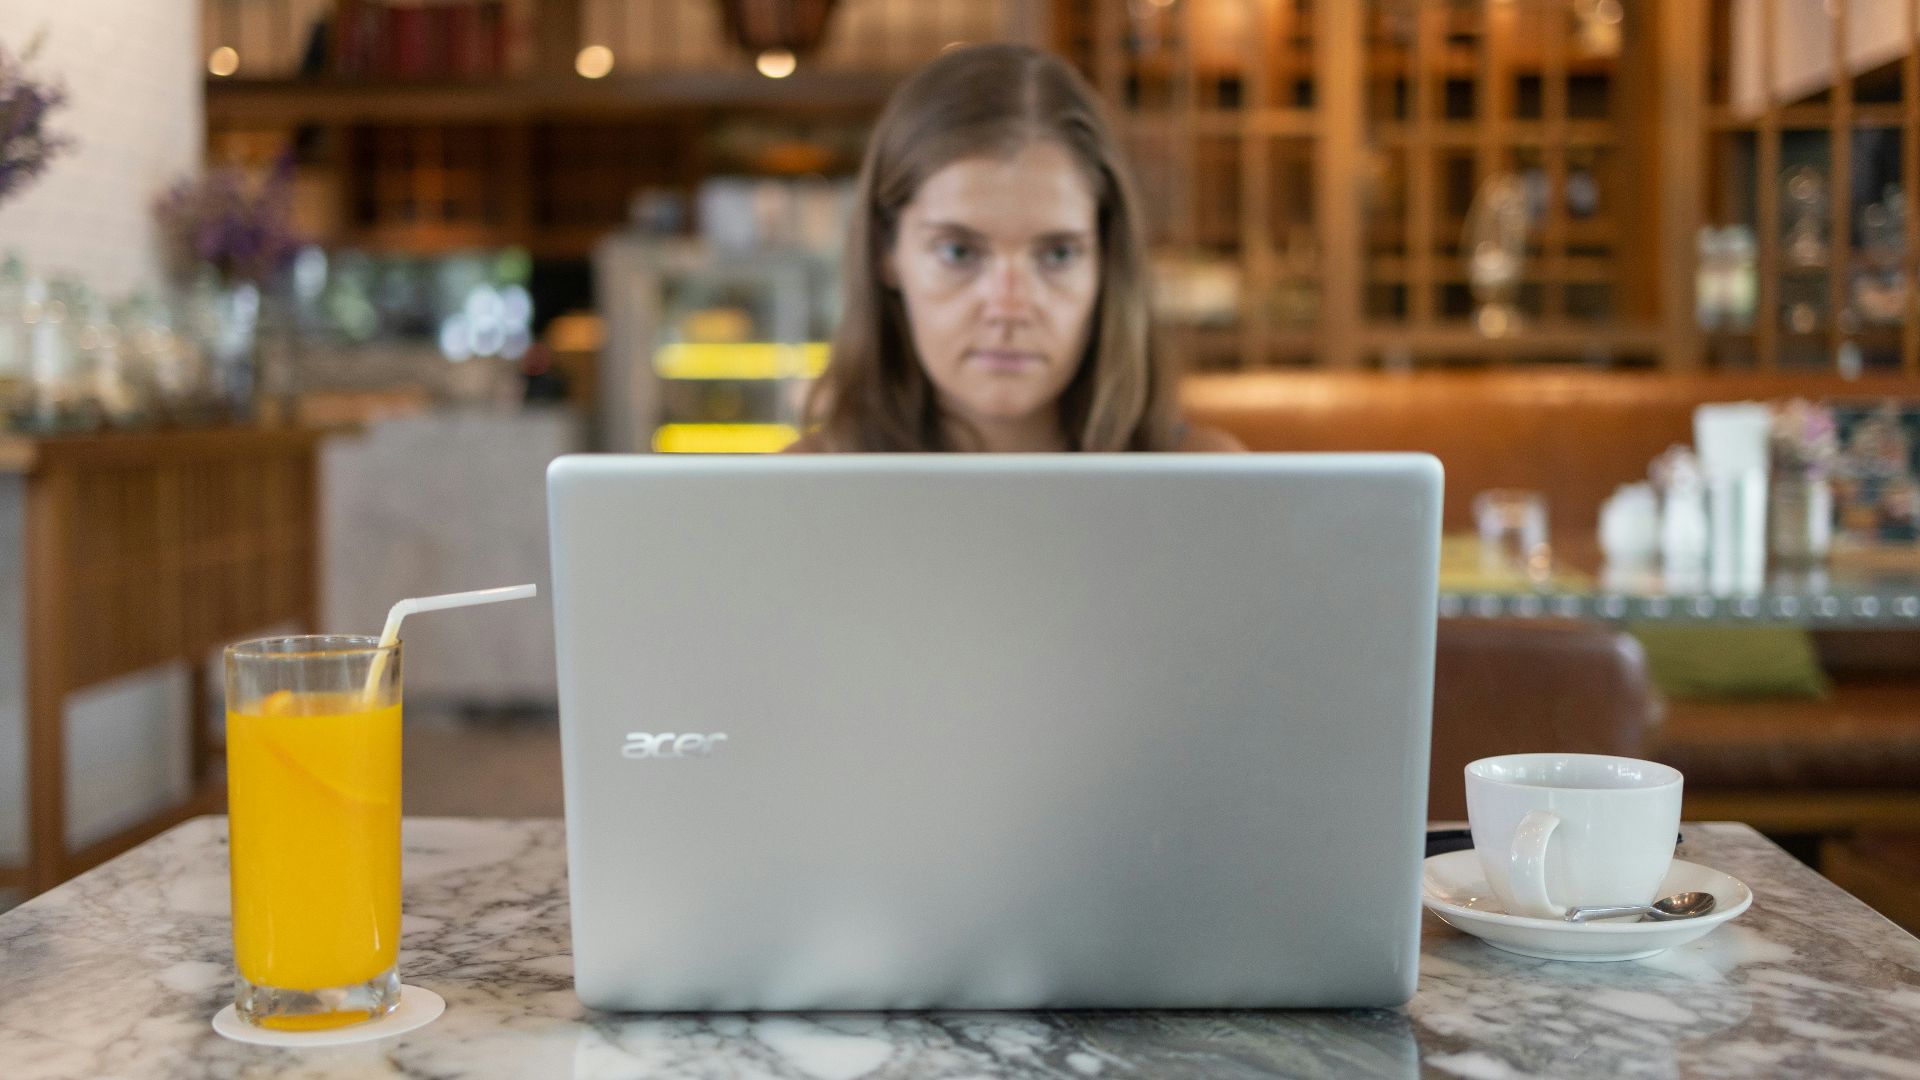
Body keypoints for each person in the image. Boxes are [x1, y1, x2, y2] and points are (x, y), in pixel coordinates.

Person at [786, 43, 1243, 454]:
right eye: (958, 253)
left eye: (1058, 255)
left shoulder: (1213, 487)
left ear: (1106, 261)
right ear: (887, 253)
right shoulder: (796, 497)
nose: (1008, 306)